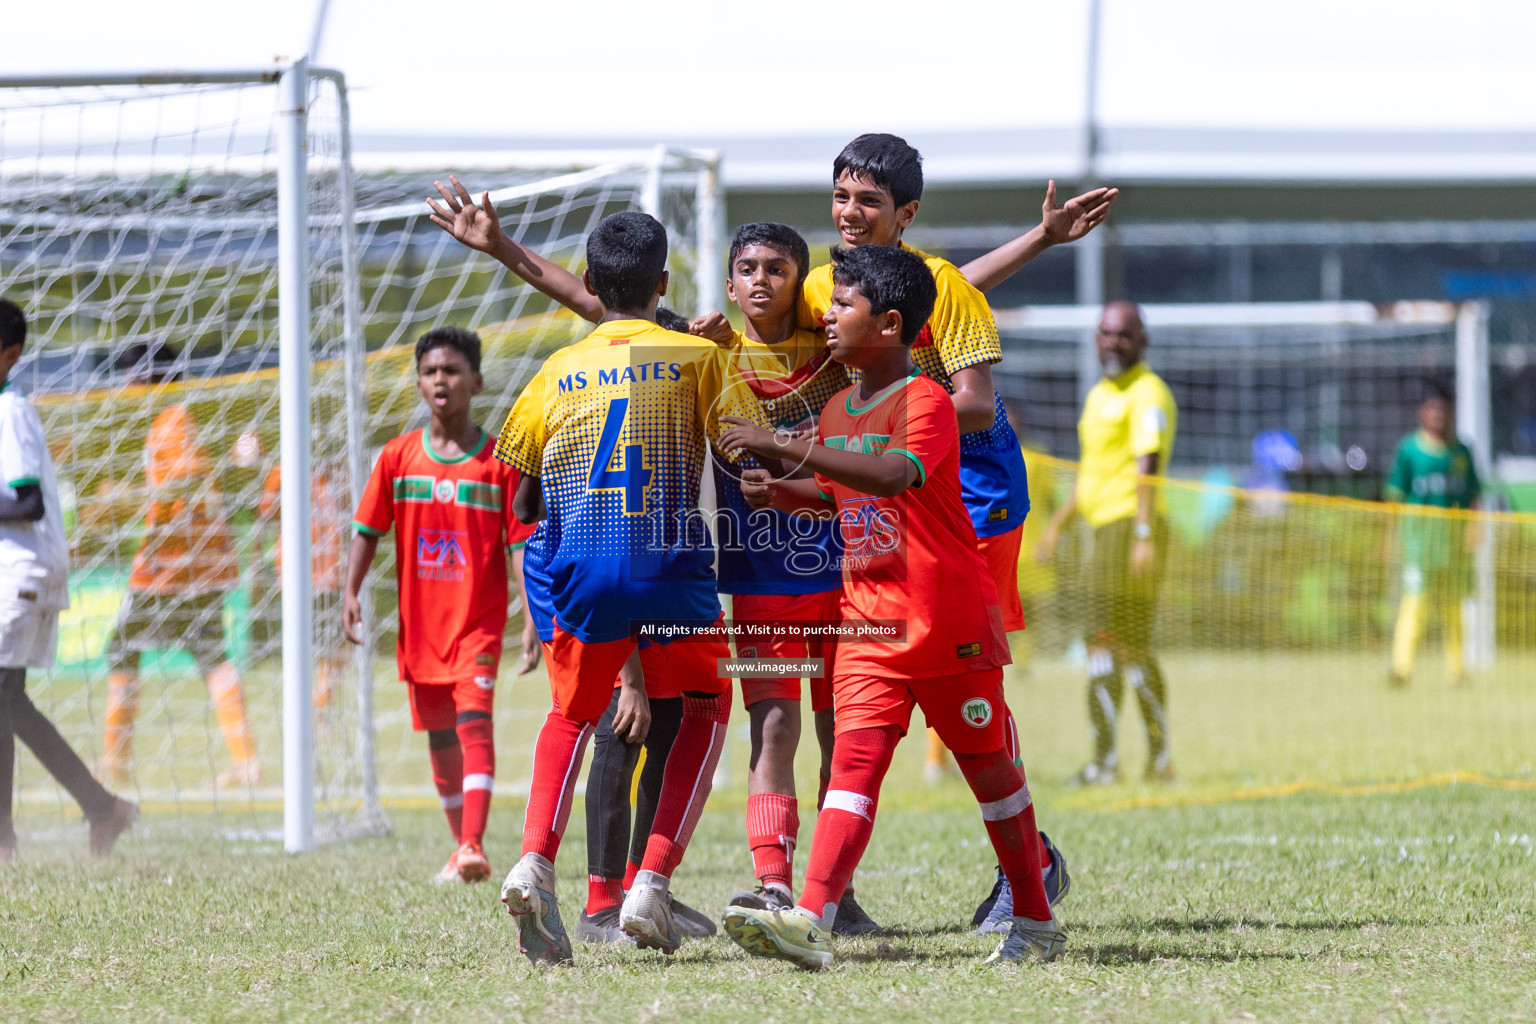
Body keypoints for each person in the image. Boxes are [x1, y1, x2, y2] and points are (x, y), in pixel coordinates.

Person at [717, 245, 1064, 968]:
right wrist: (783, 492)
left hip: (947, 625)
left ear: (890, 324)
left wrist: (787, 447)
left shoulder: (929, 401)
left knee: (993, 777)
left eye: (843, 306)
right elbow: (844, 495)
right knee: (852, 772)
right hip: (869, 623)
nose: (828, 317)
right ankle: (812, 918)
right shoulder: (842, 404)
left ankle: (1034, 920)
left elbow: (892, 474)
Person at [795, 134, 1096, 931]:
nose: (850, 214)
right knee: (877, 674)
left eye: (869, 202)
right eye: (842, 197)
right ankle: (820, 897)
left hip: (975, 498)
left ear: (907, 214)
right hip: (881, 495)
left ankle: (1029, 866)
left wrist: (893, 403)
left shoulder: (937, 298)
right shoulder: (829, 284)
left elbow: (968, 400)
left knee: (971, 688)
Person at [493, 211, 765, 964]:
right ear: (665, 286)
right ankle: (652, 879)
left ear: (589, 284)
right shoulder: (697, 358)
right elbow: (745, 452)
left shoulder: (555, 371)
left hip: (581, 568)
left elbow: (517, 497)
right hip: (672, 569)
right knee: (709, 707)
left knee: (570, 719)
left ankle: (533, 861)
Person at [344, 327, 531, 885]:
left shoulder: (500, 462)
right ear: (419, 383)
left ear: (475, 381)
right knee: (441, 736)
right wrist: (350, 593)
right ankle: (461, 848)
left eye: (451, 371)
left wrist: (533, 616)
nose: (440, 380)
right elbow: (367, 529)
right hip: (420, 630)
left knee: (475, 724)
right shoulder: (398, 458)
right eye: (430, 372)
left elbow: (519, 544)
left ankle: (473, 843)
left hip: (477, 626)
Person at [0, 298, 136, 862]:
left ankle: (16, 835)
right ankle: (101, 807)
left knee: (4, 701)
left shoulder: (10, 410)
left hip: (22, 572)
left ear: (11, 354)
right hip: (17, 572)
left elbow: (26, 501)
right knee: (7, 703)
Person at [98, 342, 259, 789]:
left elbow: (187, 477)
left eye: (128, 377)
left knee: (121, 650)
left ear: (143, 377)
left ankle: (116, 762)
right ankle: (247, 762)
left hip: (171, 563)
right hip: (203, 560)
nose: (124, 387)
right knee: (211, 654)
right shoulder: (174, 418)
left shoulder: (170, 419)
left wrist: (131, 499)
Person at [1035, 301, 1178, 786]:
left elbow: (1147, 465)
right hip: (1102, 530)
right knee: (1129, 647)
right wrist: (1056, 525)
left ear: (1142, 340)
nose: (1112, 342)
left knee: (1104, 642)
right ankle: (1152, 761)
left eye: (1122, 334)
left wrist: (1141, 534)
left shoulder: (1148, 393)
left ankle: (1108, 762)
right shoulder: (1099, 394)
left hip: (1128, 529)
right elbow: (1092, 469)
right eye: (1105, 334)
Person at [1385, 386, 1480, 688]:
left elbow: (1474, 495)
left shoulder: (1461, 452)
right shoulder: (1409, 450)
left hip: (1453, 545)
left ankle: (1457, 670)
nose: (1438, 416)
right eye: (1433, 410)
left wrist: (1474, 529)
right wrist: (1388, 536)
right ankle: (1402, 668)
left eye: (1444, 410)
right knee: (1415, 605)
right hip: (1419, 544)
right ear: (1422, 413)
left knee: (1454, 609)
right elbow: (1394, 495)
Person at [257, 459, 348, 712]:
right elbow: (265, 519)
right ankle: (306, 712)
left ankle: (317, 708)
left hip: (329, 572)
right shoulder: (281, 471)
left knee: (339, 644)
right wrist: (255, 568)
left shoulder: (333, 470)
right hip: (296, 575)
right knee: (301, 647)